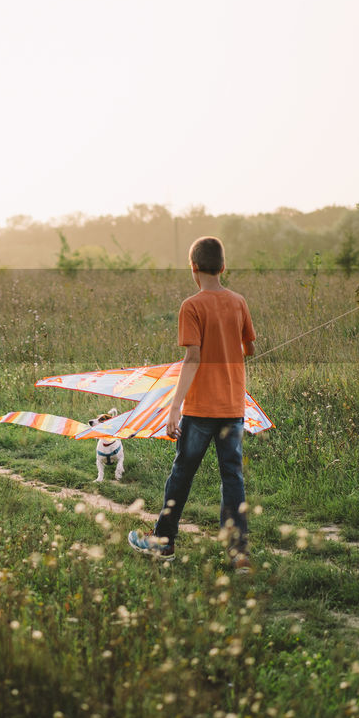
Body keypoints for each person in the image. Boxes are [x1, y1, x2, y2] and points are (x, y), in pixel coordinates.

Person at [128, 236, 257, 568]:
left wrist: (174, 408)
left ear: (193, 268)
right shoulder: (239, 302)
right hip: (232, 409)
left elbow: (193, 358)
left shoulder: (192, 306)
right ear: (223, 266)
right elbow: (249, 348)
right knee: (233, 478)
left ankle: (164, 542)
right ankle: (238, 554)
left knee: (182, 474)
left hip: (199, 410)